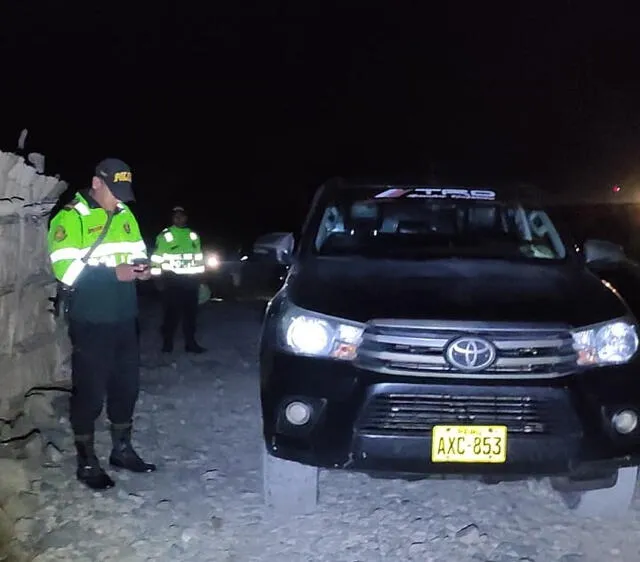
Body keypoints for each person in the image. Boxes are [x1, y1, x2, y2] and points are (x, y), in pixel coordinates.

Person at [47, 158, 156, 490]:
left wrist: (143, 269)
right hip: (91, 319)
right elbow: (64, 271)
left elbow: (137, 252)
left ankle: (122, 450)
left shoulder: (125, 215)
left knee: (126, 387)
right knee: (90, 392)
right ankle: (86, 460)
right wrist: (114, 274)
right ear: (97, 183)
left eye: (124, 193)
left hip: (125, 317)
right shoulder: (70, 218)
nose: (120, 199)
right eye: (115, 191)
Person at [150, 206, 206, 353]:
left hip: (191, 282)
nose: (180, 218)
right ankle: (167, 344)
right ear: (172, 218)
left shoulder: (193, 236)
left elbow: (199, 260)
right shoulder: (165, 236)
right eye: (176, 216)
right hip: (172, 282)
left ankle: (191, 344)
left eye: (182, 215)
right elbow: (156, 259)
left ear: (186, 217)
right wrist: (157, 279)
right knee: (171, 315)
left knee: (191, 316)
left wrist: (201, 280)